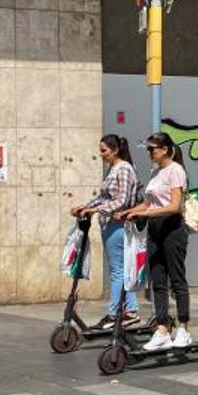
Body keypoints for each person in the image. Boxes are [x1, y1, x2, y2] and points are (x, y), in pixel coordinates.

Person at [121, 131, 192, 351]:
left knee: (177, 279)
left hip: (172, 228)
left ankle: (183, 328)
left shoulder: (176, 171)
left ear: (164, 149)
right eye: (148, 149)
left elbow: (174, 206)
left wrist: (146, 214)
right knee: (158, 281)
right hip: (155, 230)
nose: (150, 153)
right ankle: (162, 329)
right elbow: (147, 203)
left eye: (152, 148)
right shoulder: (156, 172)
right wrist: (129, 212)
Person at [70, 134, 141, 331]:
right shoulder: (113, 169)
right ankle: (131, 310)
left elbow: (123, 200)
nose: (101, 155)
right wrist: (84, 207)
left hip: (118, 224)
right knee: (120, 269)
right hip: (108, 223)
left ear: (115, 150)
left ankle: (114, 314)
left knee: (118, 271)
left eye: (104, 151)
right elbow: (103, 197)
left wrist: (95, 210)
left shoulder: (124, 168)